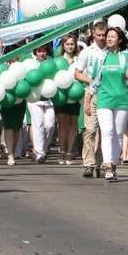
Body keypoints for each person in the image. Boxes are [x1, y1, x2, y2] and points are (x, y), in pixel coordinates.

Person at [88, 26, 128, 182]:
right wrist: (88, 99)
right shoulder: (102, 57)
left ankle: (114, 165)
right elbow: (96, 79)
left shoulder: (125, 57)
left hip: (122, 100)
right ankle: (107, 164)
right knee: (107, 131)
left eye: (113, 36)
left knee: (118, 134)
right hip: (104, 100)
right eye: (107, 36)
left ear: (120, 40)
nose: (108, 39)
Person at [74, 21, 107, 178]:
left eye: (104, 35)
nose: (101, 38)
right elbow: (77, 73)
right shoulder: (87, 52)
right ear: (93, 34)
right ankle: (88, 163)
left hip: (108, 94)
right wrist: (90, 80)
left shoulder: (112, 52)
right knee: (90, 130)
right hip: (91, 94)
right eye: (99, 35)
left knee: (104, 131)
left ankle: (100, 163)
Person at [27, 44, 56, 164]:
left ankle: (44, 148)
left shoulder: (51, 63)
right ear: (35, 52)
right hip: (34, 99)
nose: (41, 54)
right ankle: (39, 154)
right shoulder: (31, 64)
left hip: (49, 99)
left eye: (44, 51)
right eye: (39, 51)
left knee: (50, 125)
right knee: (38, 124)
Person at [55, 34, 80, 164]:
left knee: (73, 124)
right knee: (62, 125)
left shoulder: (79, 59)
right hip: (62, 96)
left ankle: (70, 151)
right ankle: (62, 151)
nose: (70, 46)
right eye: (67, 44)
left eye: (72, 44)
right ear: (63, 46)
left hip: (75, 95)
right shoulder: (59, 60)